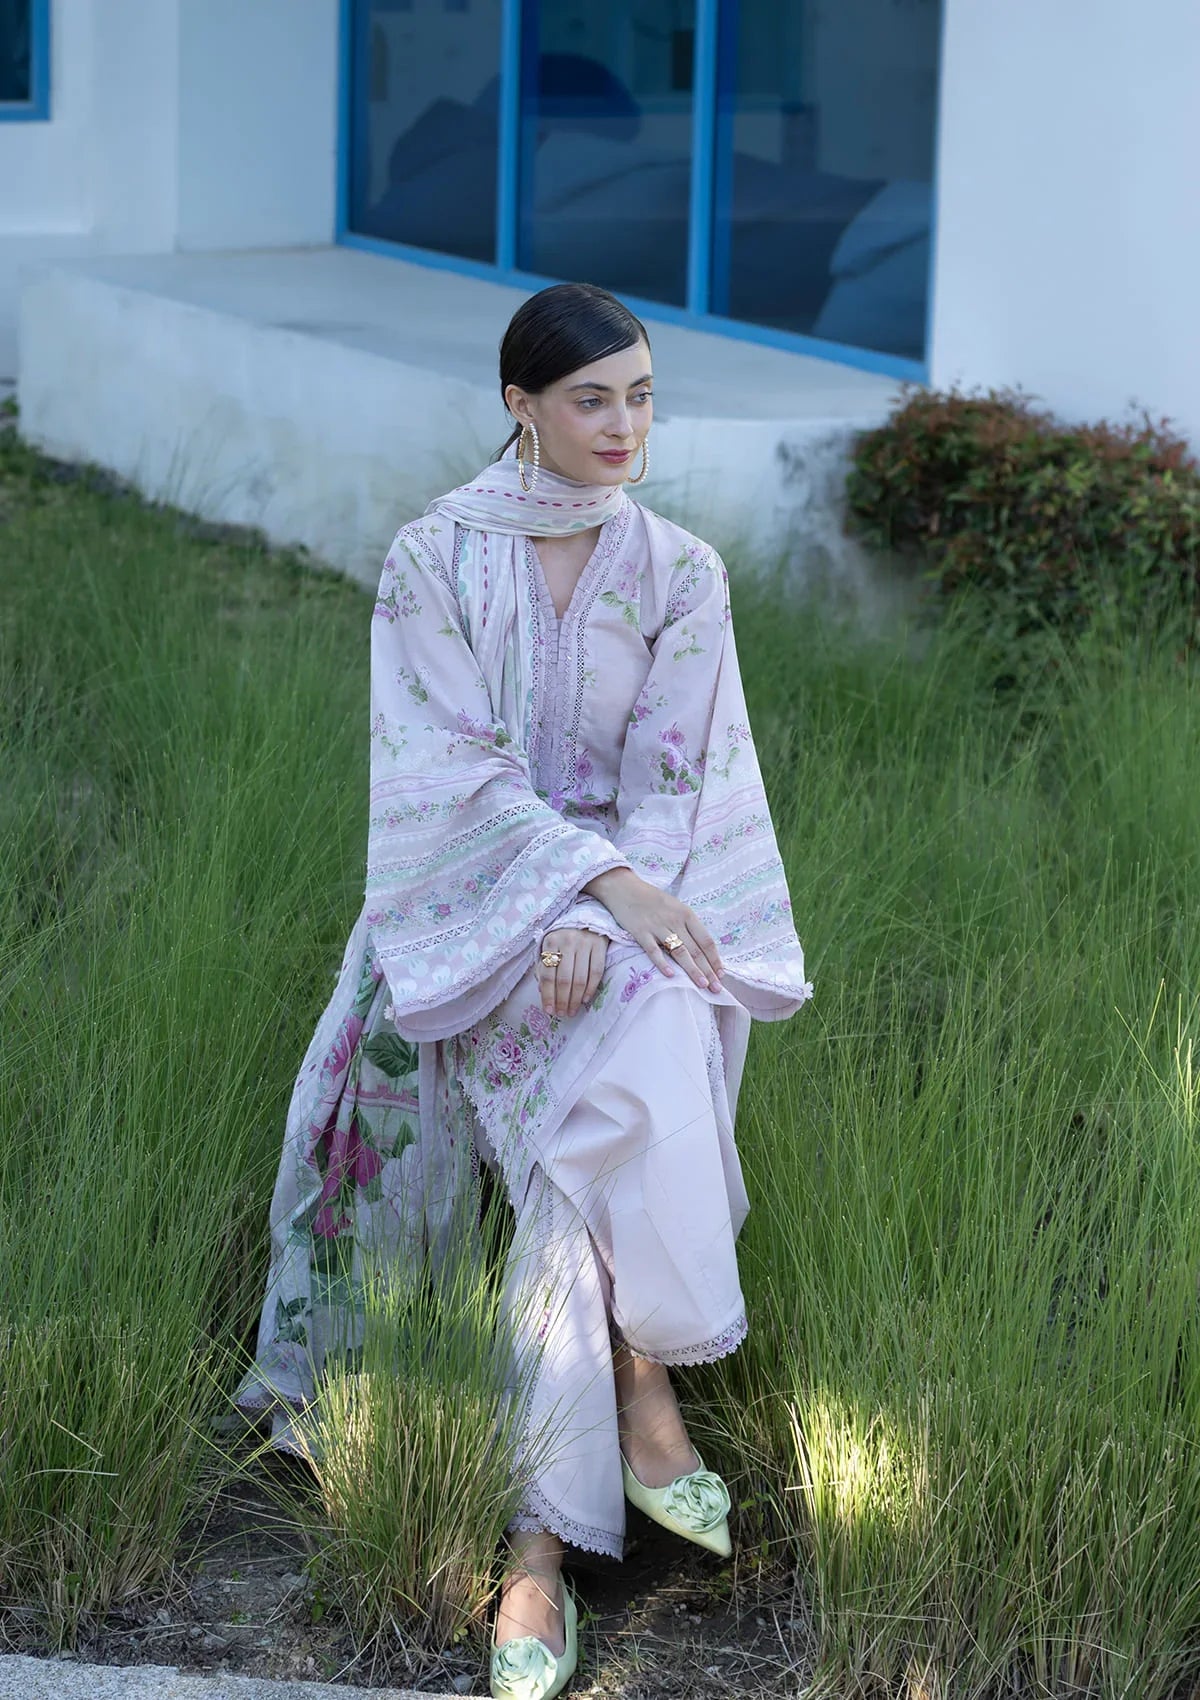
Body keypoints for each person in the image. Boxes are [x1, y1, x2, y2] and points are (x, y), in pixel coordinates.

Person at [232, 281, 812, 1700]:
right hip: (464, 908)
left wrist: (607, 916)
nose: (625, 427)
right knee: (592, 1090)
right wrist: (573, 891)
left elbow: (675, 782)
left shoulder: (680, 572)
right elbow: (444, 773)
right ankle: (633, 1403)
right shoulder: (432, 559)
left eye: (642, 396)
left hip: (624, 915)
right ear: (519, 406)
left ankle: (540, 1546)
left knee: (627, 1052)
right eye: (590, 399)